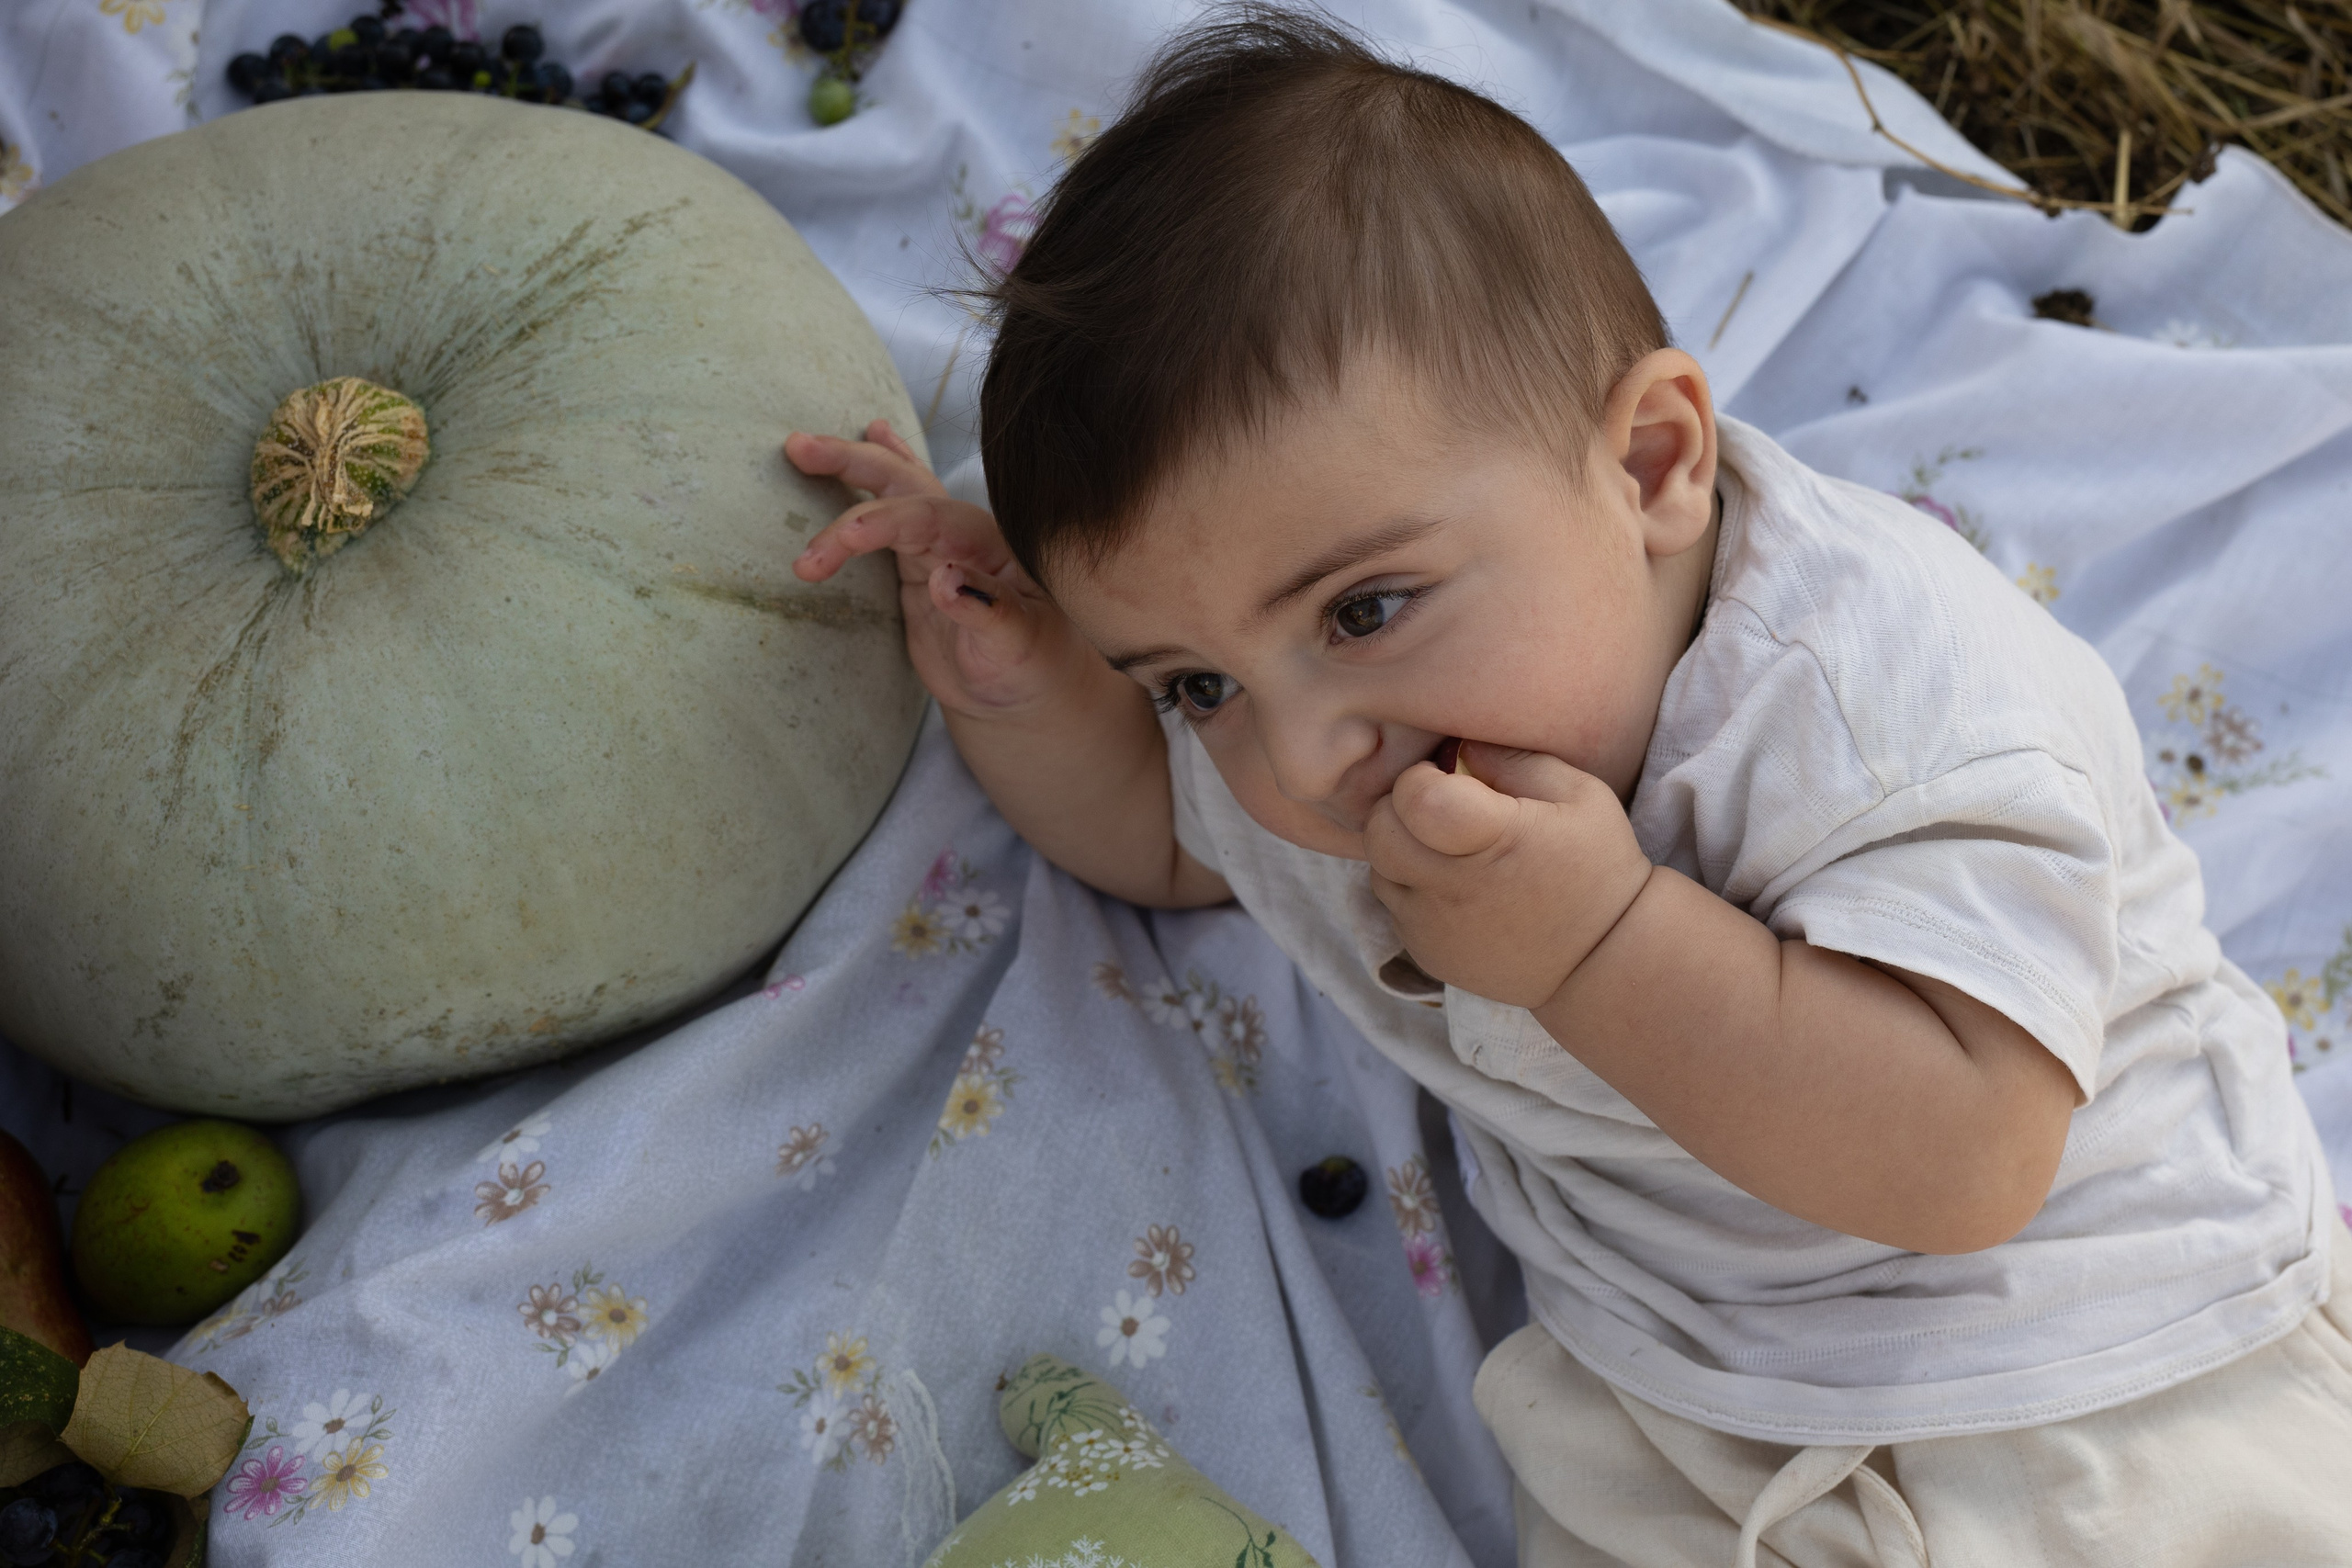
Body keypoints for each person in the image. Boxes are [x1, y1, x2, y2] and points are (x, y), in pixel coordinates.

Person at [784, 8, 2352, 1563]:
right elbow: (1162, 849)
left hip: (2109, 1362)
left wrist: (1598, 948)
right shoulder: (1345, 742)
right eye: (1192, 686)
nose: (1302, 757)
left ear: (1656, 465)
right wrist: (1032, 691)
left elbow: (1969, 1163)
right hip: (1677, 1391)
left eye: (1366, 609)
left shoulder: (1882, 705)